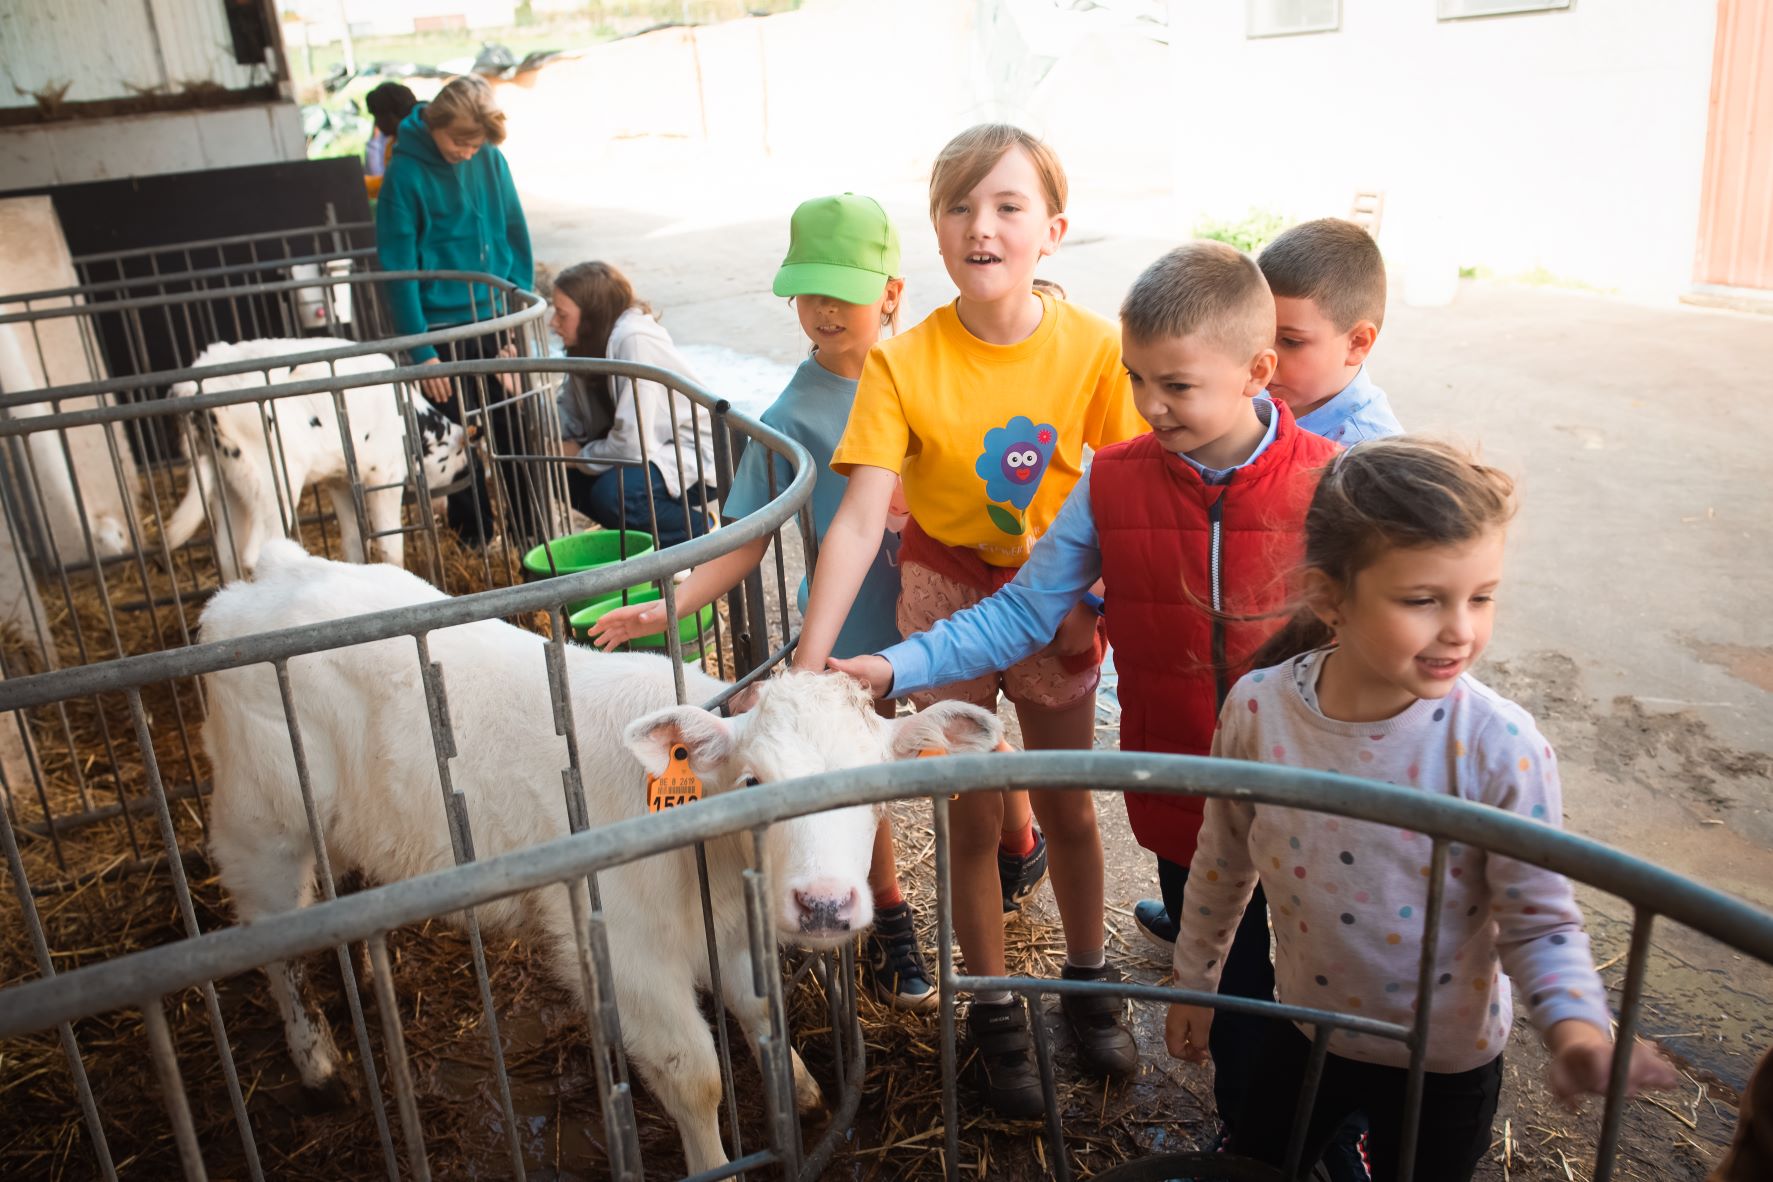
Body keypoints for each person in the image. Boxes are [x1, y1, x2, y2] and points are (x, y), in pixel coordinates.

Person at [833, 241, 1337, 1124]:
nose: (1148, 405)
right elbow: (1021, 611)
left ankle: (1316, 1141)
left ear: (1258, 372)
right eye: (1137, 379)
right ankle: (1248, 1136)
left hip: (1314, 809)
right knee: (1228, 1009)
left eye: (1175, 386)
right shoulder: (1113, 480)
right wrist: (893, 664)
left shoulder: (1331, 482)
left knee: (1310, 1011)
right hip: (1187, 803)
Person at [1164, 437, 1678, 1182]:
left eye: (1481, 596)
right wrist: (1194, 984)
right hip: (1307, 1030)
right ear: (1328, 597)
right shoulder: (1260, 711)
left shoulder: (1499, 747)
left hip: (1443, 1064)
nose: (1460, 630)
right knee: (1258, 1164)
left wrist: (1575, 1031)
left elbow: (1537, 916)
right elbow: (1221, 859)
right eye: (1421, 600)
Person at [798, 123, 1147, 1118]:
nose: (980, 226)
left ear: (1053, 230)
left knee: (1069, 802)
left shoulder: (1096, 349)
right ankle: (994, 1008)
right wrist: (814, 664)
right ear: (936, 233)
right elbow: (863, 517)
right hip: (946, 593)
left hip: (1061, 599)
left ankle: (1088, 979)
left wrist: (1091, 607)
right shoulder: (904, 363)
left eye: (1007, 206)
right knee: (973, 813)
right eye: (958, 206)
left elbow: (1124, 494)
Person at [586, 193, 957, 1006]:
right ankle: (890, 915)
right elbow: (745, 540)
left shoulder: (934, 373)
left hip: (946, 610)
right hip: (852, 623)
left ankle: (1020, 835)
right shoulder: (789, 415)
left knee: (979, 734)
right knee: (858, 777)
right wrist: (666, 609)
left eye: (843, 291)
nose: (824, 310)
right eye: (808, 292)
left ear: (891, 292)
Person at [376, 74, 534, 542]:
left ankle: (531, 535)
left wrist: (512, 324)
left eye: (476, 143)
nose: (468, 151)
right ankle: (476, 540)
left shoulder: (490, 158)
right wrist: (421, 351)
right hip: (440, 330)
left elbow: (515, 232)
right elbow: (397, 266)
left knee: (513, 429)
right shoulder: (404, 174)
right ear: (433, 123)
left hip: (493, 321)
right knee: (455, 439)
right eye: (460, 141)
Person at [542, 262, 716, 550]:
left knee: (616, 495)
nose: (553, 324)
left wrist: (578, 456)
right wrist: (519, 392)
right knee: (560, 472)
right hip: (650, 451)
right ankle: (646, 542)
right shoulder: (585, 346)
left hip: (696, 453)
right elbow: (568, 422)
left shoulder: (633, 340)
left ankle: (700, 534)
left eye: (561, 315)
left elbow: (633, 446)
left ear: (591, 316)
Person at [1259, 217, 1402, 444]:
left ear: (1357, 342)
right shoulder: (1257, 390)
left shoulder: (1367, 460)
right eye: (1259, 333)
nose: (1262, 357)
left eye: (1290, 341)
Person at [363, 81, 416, 196]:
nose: (377, 123)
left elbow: (395, 186)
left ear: (391, 116)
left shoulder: (412, 147)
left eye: (377, 117)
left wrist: (357, 184)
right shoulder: (394, 142)